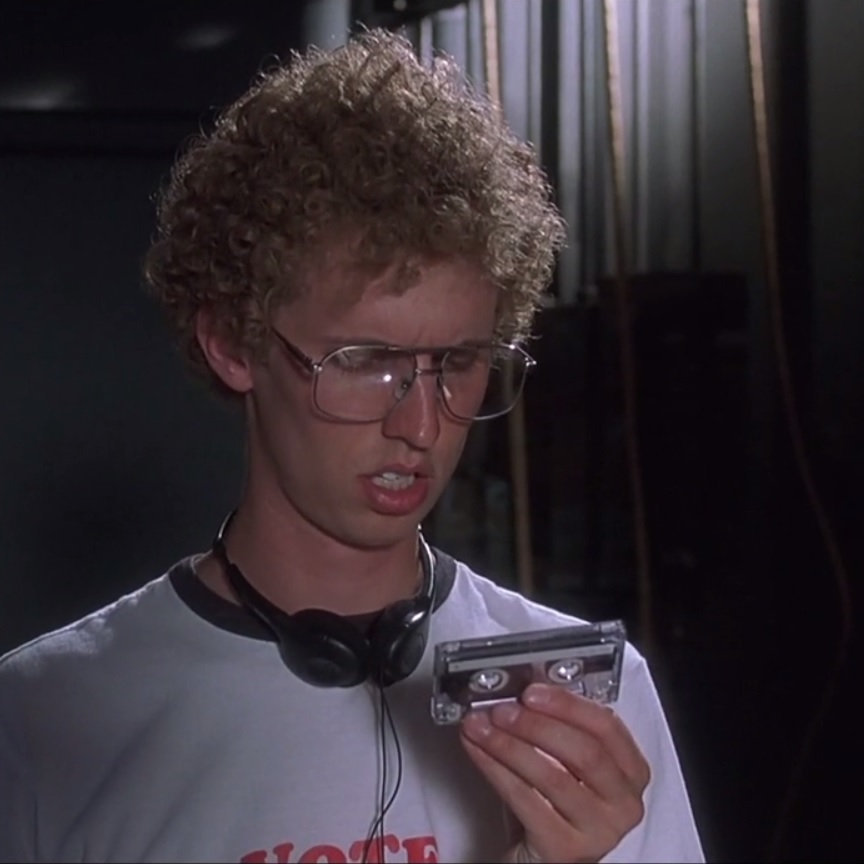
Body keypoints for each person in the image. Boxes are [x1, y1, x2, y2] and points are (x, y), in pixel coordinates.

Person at [0, 27, 703, 864]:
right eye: (366, 362)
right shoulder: (40, 724)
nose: (421, 425)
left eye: (458, 362)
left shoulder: (587, 714)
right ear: (232, 344)